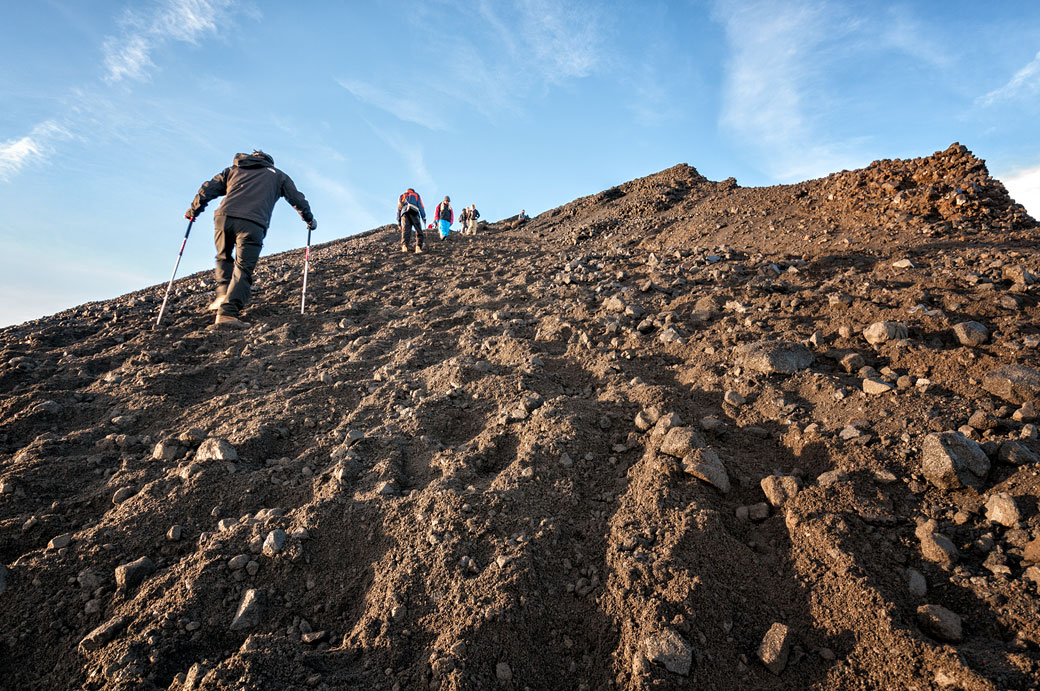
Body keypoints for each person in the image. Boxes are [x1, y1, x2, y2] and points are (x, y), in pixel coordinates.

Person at [186, 150, 315, 329]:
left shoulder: (233, 169)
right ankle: (227, 313)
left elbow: (208, 188)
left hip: (224, 217)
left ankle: (223, 293)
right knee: (243, 267)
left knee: (223, 255)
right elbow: (297, 198)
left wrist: (194, 211)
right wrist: (309, 219)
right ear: (270, 163)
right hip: (253, 222)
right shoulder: (278, 176)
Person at [397, 188, 426, 253]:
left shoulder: (402, 195)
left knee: (406, 230)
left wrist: (399, 222)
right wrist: (423, 217)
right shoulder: (416, 195)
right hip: (414, 212)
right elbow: (420, 206)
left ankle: (404, 247)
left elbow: (399, 209)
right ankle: (418, 247)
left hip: (404, 214)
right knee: (418, 230)